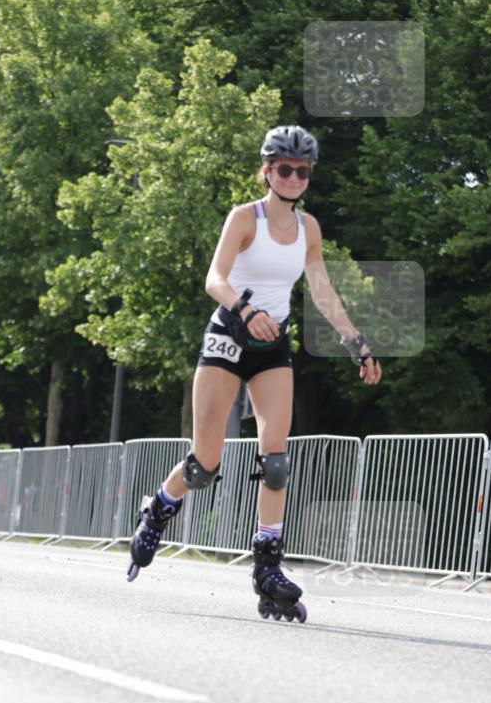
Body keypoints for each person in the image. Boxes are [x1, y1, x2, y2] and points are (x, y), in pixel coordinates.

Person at [127, 124, 382, 622]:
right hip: (228, 336)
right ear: (266, 171)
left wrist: (357, 342)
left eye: (301, 171)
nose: (292, 177)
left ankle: (267, 567)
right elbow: (214, 278)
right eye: (283, 168)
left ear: (308, 177)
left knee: (277, 459)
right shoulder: (246, 218)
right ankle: (157, 509)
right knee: (204, 465)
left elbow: (321, 289)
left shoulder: (309, 228)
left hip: (271, 347)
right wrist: (245, 310)